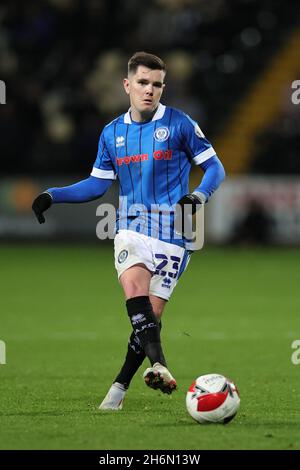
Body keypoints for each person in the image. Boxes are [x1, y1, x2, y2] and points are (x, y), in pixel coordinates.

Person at [32, 51, 225, 410]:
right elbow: (95, 185)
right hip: (130, 229)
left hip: (175, 235)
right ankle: (160, 364)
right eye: (142, 83)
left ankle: (119, 388)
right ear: (127, 85)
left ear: (163, 87)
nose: (149, 90)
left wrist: (197, 196)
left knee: (148, 319)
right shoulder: (112, 133)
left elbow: (215, 168)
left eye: (156, 84)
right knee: (134, 290)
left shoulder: (181, 124)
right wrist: (52, 195)